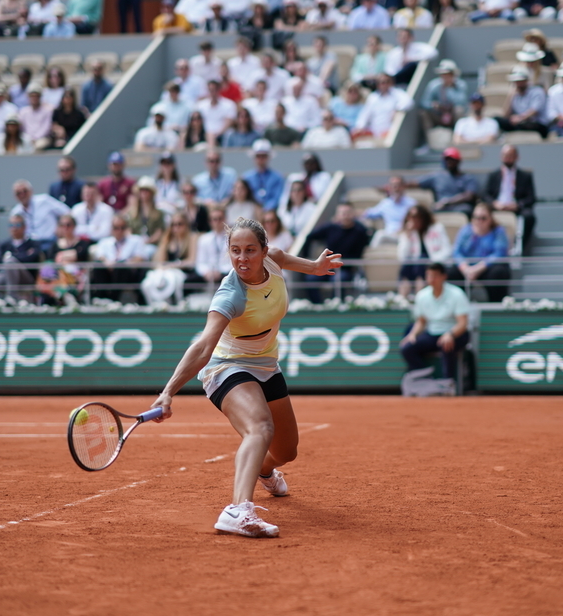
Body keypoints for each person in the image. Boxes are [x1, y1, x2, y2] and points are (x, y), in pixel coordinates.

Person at [149, 216, 342, 538]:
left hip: (266, 365)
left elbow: (288, 259)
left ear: (264, 250)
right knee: (260, 427)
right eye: (235, 250)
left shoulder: (273, 259)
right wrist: (168, 392)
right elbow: (203, 347)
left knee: (287, 451)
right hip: (227, 366)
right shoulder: (230, 295)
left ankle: (265, 471)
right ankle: (237, 510)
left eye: (250, 250)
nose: (242, 258)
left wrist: (315, 267)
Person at [400, 262, 470, 384]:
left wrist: (450, 334)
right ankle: (425, 378)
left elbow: (462, 323)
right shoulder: (422, 296)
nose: (431, 279)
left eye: (435, 276)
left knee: (446, 344)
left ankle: (448, 382)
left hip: (456, 333)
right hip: (432, 334)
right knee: (407, 348)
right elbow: (421, 321)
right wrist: (413, 334)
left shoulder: (457, 294)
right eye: (429, 276)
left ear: (444, 276)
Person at [302, 202, 371, 303]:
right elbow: (310, 236)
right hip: (326, 266)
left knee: (340, 279)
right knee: (310, 279)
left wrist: (342, 261)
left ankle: (335, 305)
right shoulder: (330, 228)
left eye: (348, 213)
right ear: (337, 215)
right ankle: (318, 305)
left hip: (346, 268)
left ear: (353, 214)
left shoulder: (359, 232)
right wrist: (306, 257)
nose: (345, 216)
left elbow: (360, 252)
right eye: (342, 213)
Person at [448, 202, 511, 302]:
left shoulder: (498, 231)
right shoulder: (466, 230)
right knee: (451, 273)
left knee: (498, 273)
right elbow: (457, 252)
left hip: (488, 268)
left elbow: (499, 253)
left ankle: (496, 305)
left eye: (483, 218)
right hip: (467, 268)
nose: (479, 221)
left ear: (490, 219)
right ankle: (459, 305)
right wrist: (465, 268)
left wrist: (478, 268)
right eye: (476, 217)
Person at [483, 144, 536, 250]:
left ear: (516, 157)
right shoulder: (493, 175)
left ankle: (520, 247)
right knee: (479, 215)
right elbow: (485, 195)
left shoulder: (525, 176)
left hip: (516, 208)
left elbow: (531, 198)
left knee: (529, 216)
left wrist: (517, 205)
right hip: (497, 207)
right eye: (505, 155)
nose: (508, 158)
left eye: (510, 155)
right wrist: (495, 204)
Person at [397, 204, 451, 296]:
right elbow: (402, 256)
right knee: (406, 265)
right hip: (414, 266)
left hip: (434, 263)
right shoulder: (407, 233)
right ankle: (403, 297)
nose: (413, 220)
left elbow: (447, 250)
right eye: (411, 216)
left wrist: (434, 260)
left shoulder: (437, 228)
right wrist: (408, 236)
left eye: (416, 217)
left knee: (422, 260)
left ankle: (419, 295)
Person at [92, 215, 147, 301]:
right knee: (98, 265)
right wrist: (108, 263)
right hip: (109, 271)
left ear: (127, 228)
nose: (119, 231)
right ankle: (101, 298)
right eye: (116, 228)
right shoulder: (104, 242)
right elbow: (100, 256)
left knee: (120, 267)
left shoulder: (136, 240)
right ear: (111, 229)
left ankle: (114, 299)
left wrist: (121, 264)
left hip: (128, 272)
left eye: (122, 228)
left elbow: (140, 257)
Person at [412, 147, 479, 215]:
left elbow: (469, 196)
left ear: (458, 161)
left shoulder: (468, 178)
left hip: (459, 207)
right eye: (447, 159)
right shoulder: (437, 176)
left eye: (452, 159)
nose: (449, 162)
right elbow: (416, 183)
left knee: (466, 209)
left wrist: (447, 202)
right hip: (441, 208)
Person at [10, 179, 69, 251]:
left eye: (25, 191)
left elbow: (66, 212)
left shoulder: (44, 201)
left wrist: (60, 227)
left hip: (49, 242)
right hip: (28, 245)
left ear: (31, 191)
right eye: (18, 193)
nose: (22, 195)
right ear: (14, 196)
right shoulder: (15, 212)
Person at [353, 73, 414, 141]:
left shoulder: (397, 93)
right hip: (375, 133)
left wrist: (397, 109)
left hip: (391, 133)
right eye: (381, 82)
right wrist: (360, 127)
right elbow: (365, 114)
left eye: (387, 82)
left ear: (391, 82)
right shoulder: (373, 97)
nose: (384, 84)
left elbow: (409, 102)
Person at [496, 66, 549, 138]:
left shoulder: (537, 91)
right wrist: (510, 95)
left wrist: (520, 118)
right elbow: (505, 114)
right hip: (520, 123)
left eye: (520, 81)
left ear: (526, 80)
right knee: (496, 120)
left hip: (536, 123)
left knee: (532, 125)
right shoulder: (514, 94)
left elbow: (534, 111)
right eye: (516, 81)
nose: (518, 84)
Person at [124, 176, 164, 254]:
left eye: (147, 190)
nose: (144, 192)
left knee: (148, 251)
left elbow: (159, 232)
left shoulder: (159, 213)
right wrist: (136, 242)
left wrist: (148, 241)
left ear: (152, 193)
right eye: (141, 190)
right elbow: (128, 231)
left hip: (151, 245)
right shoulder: (132, 213)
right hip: (134, 246)